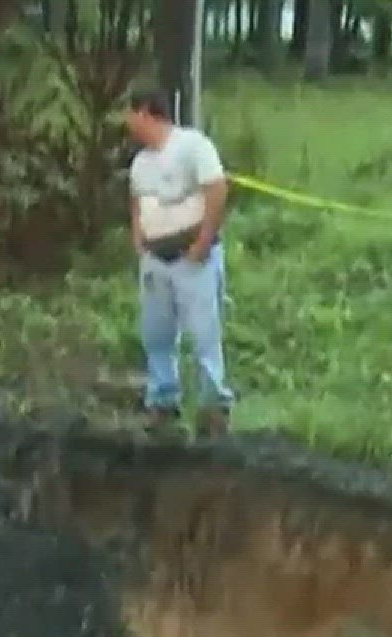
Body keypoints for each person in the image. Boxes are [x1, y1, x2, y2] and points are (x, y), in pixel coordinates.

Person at [125, 89, 234, 437]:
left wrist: (202, 243)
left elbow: (217, 190)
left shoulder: (193, 146)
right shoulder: (141, 162)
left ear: (146, 113)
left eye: (130, 113)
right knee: (156, 334)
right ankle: (162, 401)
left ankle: (213, 407)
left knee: (204, 332)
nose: (127, 122)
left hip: (192, 256)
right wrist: (139, 242)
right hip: (156, 260)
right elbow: (137, 202)